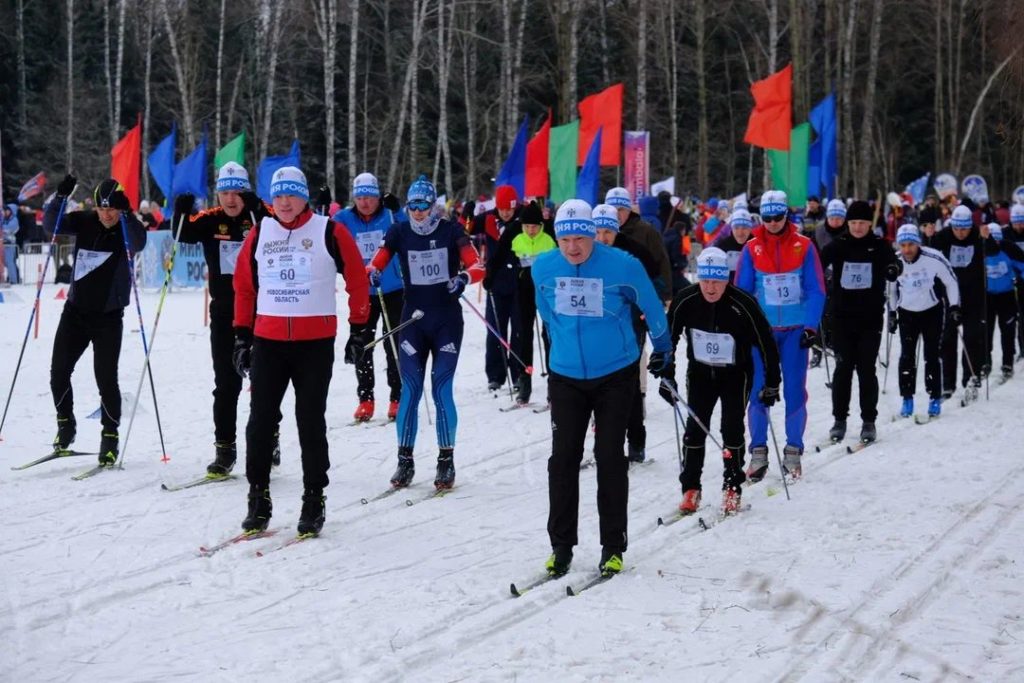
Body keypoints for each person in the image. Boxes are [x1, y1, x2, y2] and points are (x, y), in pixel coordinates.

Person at [532, 199, 672, 579]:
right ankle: (561, 546)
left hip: (615, 373)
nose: (573, 246)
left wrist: (663, 351)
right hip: (565, 376)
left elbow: (653, 308)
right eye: (565, 238)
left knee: (609, 456)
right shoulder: (543, 267)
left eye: (581, 237)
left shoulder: (622, 265)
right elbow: (545, 312)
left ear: (594, 235)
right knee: (562, 459)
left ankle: (613, 546)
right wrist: (561, 346)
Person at [232, 166, 371, 536]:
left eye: (291, 195)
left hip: (314, 343)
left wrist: (358, 329)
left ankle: (314, 497)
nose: (284, 203)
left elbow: (358, 279)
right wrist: (242, 336)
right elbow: (244, 287)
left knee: (309, 419)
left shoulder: (329, 230)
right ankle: (258, 496)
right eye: (278, 196)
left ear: (304, 196)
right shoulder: (261, 232)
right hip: (269, 341)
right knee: (260, 421)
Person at [367, 175, 484, 490]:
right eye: (413, 206)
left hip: (446, 321)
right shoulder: (399, 231)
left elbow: (478, 266)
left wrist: (462, 279)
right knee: (411, 388)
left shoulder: (450, 230)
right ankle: (405, 460)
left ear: (434, 206)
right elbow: (377, 261)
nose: (418, 212)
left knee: (441, 388)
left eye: (424, 205)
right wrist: (374, 272)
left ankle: (446, 460)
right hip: (413, 321)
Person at [173, 162, 282, 476]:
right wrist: (178, 214)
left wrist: (258, 207)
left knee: (264, 382)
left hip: (263, 312)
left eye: (236, 192)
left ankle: (269, 438)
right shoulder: (211, 220)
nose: (230, 199)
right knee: (226, 383)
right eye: (224, 192)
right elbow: (184, 235)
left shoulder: (259, 218)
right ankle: (225, 448)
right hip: (224, 313)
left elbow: (281, 224)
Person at [664, 247, 780, 515]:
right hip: (700, 374)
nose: (711, 288)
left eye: (717, 281)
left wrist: (772, 381)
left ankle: (732, 487)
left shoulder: (743, 303)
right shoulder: (687, 299)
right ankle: (691, 488)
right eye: (705, 281)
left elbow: (766, 343)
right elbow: (667, 338)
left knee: (731, 429)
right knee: (695, 428)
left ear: (726, 280)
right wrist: (665, 374)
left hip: (735, 375)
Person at [43, 176, 147, 465]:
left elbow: (139, 242)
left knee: (105, 378)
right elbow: (52, 226)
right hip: (75, 313)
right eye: (102, 209)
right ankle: (66, 426)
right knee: (58, 371)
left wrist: (128, 214)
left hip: (108, 318)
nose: (106, 214)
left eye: (112, 209)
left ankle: (110, 437)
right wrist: (60, 198)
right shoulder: (85, 221)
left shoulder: (126, 227)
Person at [735, 190, 825, 480]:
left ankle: (793, 451)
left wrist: (811, 326)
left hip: (795, 331)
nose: (773, 223)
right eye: (767, 218)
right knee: (760, 389)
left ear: (787, 215)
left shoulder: (805, 245)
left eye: (778, 217)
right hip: (763, 333)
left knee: (794, 391)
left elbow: (816, 289)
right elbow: (743, 293)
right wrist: (744, 327)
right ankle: (758, 453)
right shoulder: (751, 248)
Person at [818, 200, 902, 443]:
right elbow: (818, 262)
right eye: (853, 223)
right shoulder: (840, 244)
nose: (857, 227)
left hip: (870, 318)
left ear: (869, 224)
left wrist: (893, 270)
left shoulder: (878, 245)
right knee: (842, 370)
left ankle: (868, 421)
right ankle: (839, 420)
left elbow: (894, 263)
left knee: (866, 370)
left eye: (862, 223)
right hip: (842, 317)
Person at [593, 203, 665, 463]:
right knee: (598, 384)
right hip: (597, 327)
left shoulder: (633, 252)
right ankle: (603, 442)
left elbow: (656, 281)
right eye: (597, 232)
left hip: (629, 324)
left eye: (607, 233)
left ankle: (636, 441)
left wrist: (646, 305)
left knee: (629, 382)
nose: (602, 239)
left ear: (616, 231)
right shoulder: (585, 253)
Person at [334, 172, 405, 422]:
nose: (365, 202)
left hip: (393, 289)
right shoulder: (343, 218)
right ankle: (366, 398)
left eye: (370, 197)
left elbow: (409, 230)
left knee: (393, 344)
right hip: (362, 290)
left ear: (378, 197)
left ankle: (397, 397)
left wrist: (399, 211)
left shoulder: (388, 216)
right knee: (363, 343)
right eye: (360, 197)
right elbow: (323, 231)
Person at [889, 224, 960, 419]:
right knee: (907, 356)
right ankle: (907, 398)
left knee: (931, 354)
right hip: (907, 313)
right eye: (903, 245)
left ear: (918, 243)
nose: (907, 250)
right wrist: (892, 313)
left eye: (911, 244)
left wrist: (954, 306)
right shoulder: (894, 262)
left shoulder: (933, 257)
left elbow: (951, 281)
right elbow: (891, 290)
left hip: (931, 311)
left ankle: (934, 397)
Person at [933, 205, 993, 401]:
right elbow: (929, 254)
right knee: (948, 339)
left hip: (974, 296)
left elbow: (993, 250)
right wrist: (928, 235)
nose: (960, 233)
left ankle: (970, 378)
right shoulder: (943, 236)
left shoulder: (977, 235)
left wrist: (988, 237)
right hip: (951, 297)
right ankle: (947, 384)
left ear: (970, 227)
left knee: (972, 337)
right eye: (956, 229)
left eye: (964, 229)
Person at [474, 185, 522, 392]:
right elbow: (464, 228)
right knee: (495, 331)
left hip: (520, 285)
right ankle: (495, 375)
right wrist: (467, 214)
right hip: (495, 284)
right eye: (502, 209)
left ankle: (520, 374)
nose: (506, 213)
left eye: (509, 209)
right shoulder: (488, 220)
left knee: (519, 332)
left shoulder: (523, 220)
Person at [509, 200, 557, 405]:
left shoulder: (549, 241)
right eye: (527, 226)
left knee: (548, 334)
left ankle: (553, 382)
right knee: (524, 334)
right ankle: (524, 379)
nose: (531, 230)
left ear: (541, 226)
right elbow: (506, 258)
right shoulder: (516, 239)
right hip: (524, 292)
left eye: (534, 226)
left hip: (545, 291)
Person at [605, 187, 672, 303]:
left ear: (629, 210)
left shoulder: (647, 231)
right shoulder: (597, 232)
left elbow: (661, 263)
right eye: (612, 209)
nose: (616, 214)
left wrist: (665, 295)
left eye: (620, 209)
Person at [982, 223, 1024, 380]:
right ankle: (985, 362)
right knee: (986, 330)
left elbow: (1022, 265)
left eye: (998, 240)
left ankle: (1008, 362)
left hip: (1006, 295)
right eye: (993, 240)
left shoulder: (1008, 250)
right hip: (988, 296)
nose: (995, 244)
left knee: (1008, 330)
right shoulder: (983, 251)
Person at [713, 207, 754, 282]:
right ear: (731, 228)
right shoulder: (722, 246)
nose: (740, 233)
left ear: (750, 229)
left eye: (744, 228)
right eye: (736, 228)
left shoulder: (757, 244)